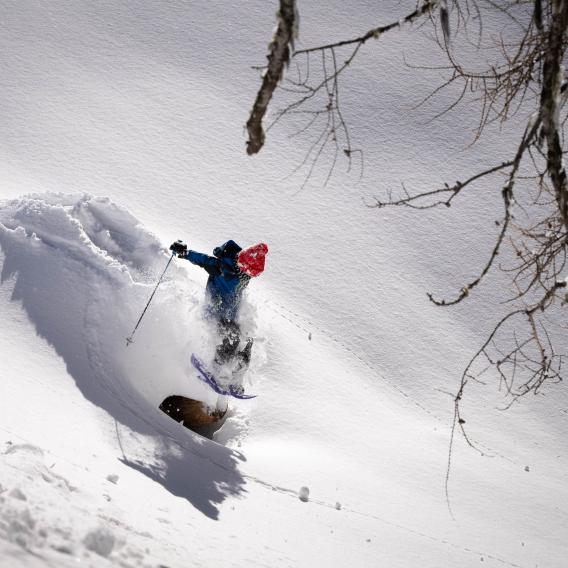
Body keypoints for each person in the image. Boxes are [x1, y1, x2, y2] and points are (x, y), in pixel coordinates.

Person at [169, 238, 268, 372]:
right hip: (216, 312)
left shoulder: (244, 276)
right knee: (231, 339)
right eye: (248, 272)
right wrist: (185, 253)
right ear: (243, 264)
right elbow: (203, 260)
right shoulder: (222, 266)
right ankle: (217, 370)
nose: (248, 276)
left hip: (230, 315)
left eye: (252, 274)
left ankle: (235, 376)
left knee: (246, 342)